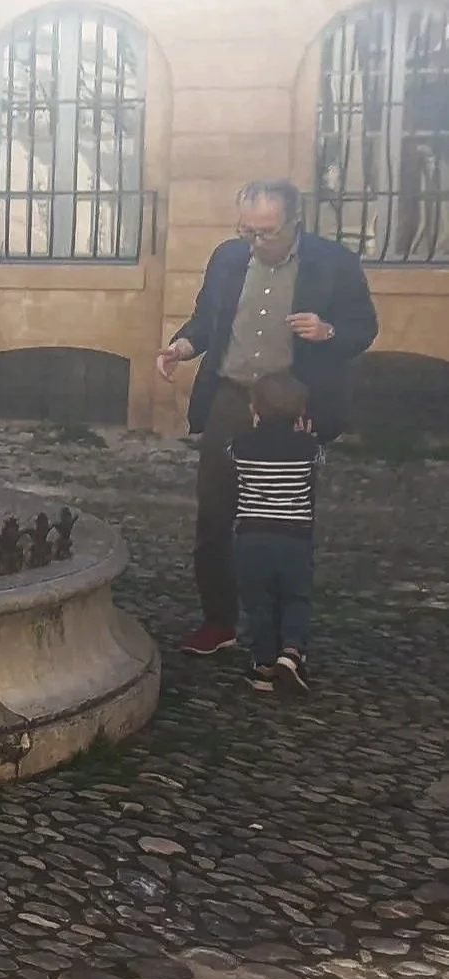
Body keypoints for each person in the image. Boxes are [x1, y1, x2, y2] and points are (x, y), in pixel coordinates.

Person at [156, 179, 374, 657]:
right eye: (248, 229)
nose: (256, 241)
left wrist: (328, 330)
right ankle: (220, 620)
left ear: (295, 222)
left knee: (284, 523)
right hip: (231, 399)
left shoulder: (332, 262)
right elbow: (207, 321)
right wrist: (182, 347)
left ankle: (281, 635)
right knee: (214, 516)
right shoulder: (228, 258)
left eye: (267, 232)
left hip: (294, 407)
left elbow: (364, 328)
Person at [231, 372, 320, 694]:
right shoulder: (308, 447)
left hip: (251, 538)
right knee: (296, 597)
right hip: (294, 538)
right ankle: (292, 651)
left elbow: (232, 464)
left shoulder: (240, 445)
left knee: (258, 603)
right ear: (300, 413)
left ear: (255, 410)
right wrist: (304, 437)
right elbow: (315, 468)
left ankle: (264, 666)